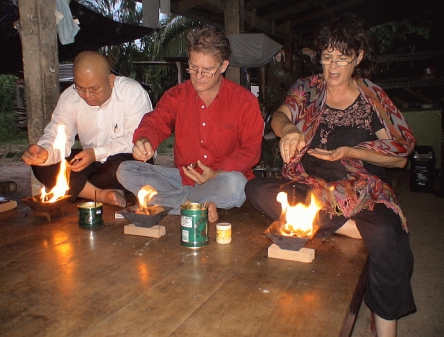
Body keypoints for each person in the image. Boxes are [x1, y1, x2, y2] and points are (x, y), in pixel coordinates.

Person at [245, 14, 416, 337]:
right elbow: (280, 116)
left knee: (390, 239)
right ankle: (349, 227)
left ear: (359, 58)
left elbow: (400, 160)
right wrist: (290, 131)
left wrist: (352, 153)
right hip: (311, 187)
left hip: (360, 190)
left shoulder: (372, 99)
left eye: (342, 58)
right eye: (327, 58)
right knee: (255, 189)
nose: (333, 67)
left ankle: (384, 326)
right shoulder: (309, 89)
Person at [116, 26, 264, 222]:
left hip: (221, 180)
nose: (198, 75)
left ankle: (165, 203)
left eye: (207, 70)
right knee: (125, 170)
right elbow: (156, 121)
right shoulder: (176, 95)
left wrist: (217, 173)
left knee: (236, 185)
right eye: (193, 68)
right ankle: (197, 204)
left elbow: (251, 150)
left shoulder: (245, 101)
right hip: (183, 178)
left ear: (223, 66)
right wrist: (144, 140)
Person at [21, 51, 153, 207]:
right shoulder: (70, 97)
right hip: (91, 166)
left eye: (94, 89)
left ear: (110, 80)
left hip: (124, 161)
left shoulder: (132, 92)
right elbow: (57, 136)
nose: (87, 95)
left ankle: (88, 189)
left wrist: (95, 153)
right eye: (81, 89)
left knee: (129, 167)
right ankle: (100, 194)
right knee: (42, 167)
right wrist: (45, 153)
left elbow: (137, 140)